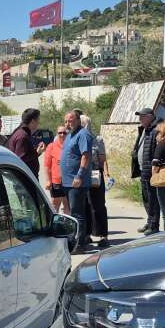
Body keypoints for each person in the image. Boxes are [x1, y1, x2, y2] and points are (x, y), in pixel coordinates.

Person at [59, 109, 93, 254]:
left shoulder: (83, 134)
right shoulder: (70, 135)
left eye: (71, 121)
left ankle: (80, 244)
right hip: (68, 182)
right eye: (66, 121)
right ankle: (80, 240)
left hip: (76, 181)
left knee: (77, 214)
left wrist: (79, 176)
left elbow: (86, 156)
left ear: (78, 120)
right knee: (74, 212)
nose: (68, 124)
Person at [131, 108, 161, 233]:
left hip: (151, 171)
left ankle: (154, 226)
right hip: (143, 169)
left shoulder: (156, 130)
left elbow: (158, 151)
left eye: (142, 117)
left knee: (153, 199)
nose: (140, 119)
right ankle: (149, 222)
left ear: (150, 117)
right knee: (146, 198)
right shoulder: (144, 129)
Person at [83, 115, 111, 248]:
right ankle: (87, 234)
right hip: (81, 176)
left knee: (98, 205)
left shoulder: (98, 140)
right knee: (85, 206)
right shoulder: (75, 138)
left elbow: (102, 159)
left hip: (94, 175)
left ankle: (103, 235)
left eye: (85, 123)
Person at [6, 108, 45, 179]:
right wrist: (36, 153)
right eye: (38, 120)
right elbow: (22, 160)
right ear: (33, 121)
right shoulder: (22, 136)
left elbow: (26, 155)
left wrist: (37, 152)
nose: (39, 123)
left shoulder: (20, 133)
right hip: (25, 179)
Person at [43, 126, 69, 214]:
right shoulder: (51, 146)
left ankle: (67, 225)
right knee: (55, 203)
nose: (62, 135)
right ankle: (55, 224)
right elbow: (46, 165)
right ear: (57, 134)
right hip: (56, 181)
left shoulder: (71, 145)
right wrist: (48, 180)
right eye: (60, 133)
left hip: (68, 180)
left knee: (67, 204)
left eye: (64, 133)